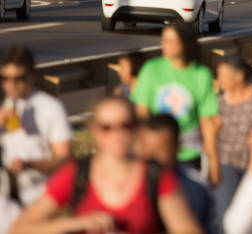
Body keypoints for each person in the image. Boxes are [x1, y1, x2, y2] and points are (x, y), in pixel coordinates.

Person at [13, 96, 201, 234]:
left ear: (135, 128)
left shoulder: (155, 176)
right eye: (106, 128)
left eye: (125, 125)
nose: (116, 134)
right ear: (94, 131)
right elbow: (21, 228)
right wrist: (77, 224)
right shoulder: (77, 173)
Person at [132, 24, 219, 182]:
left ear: (185, 43)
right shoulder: (151, 69)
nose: (164, 45)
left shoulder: (201, 74)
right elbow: (142, 113)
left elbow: (207, 122)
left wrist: (213, 163)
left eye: (170, 41)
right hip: (156, 152)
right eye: (163, 40)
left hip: (189, 152)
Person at [0, 45, 72, 207]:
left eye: (19, 79)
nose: (11, 85)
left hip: (40, 197)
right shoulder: (3, 104)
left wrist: (29, 164)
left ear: (32, 76)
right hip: (6, 201)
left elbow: (64, 159)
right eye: (5, 79)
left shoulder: (50, 107)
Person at [137, 113, 216, 233]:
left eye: (160, 149)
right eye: (147, 148)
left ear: (177, 146)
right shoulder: (129, 180)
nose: (151, 156)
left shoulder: (195, 186)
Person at [214, 54, 252, 224]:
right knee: (226, 214)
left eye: (223, 74)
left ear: (239, 76)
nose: (220, 79)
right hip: (226, 162)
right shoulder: (219, 102)